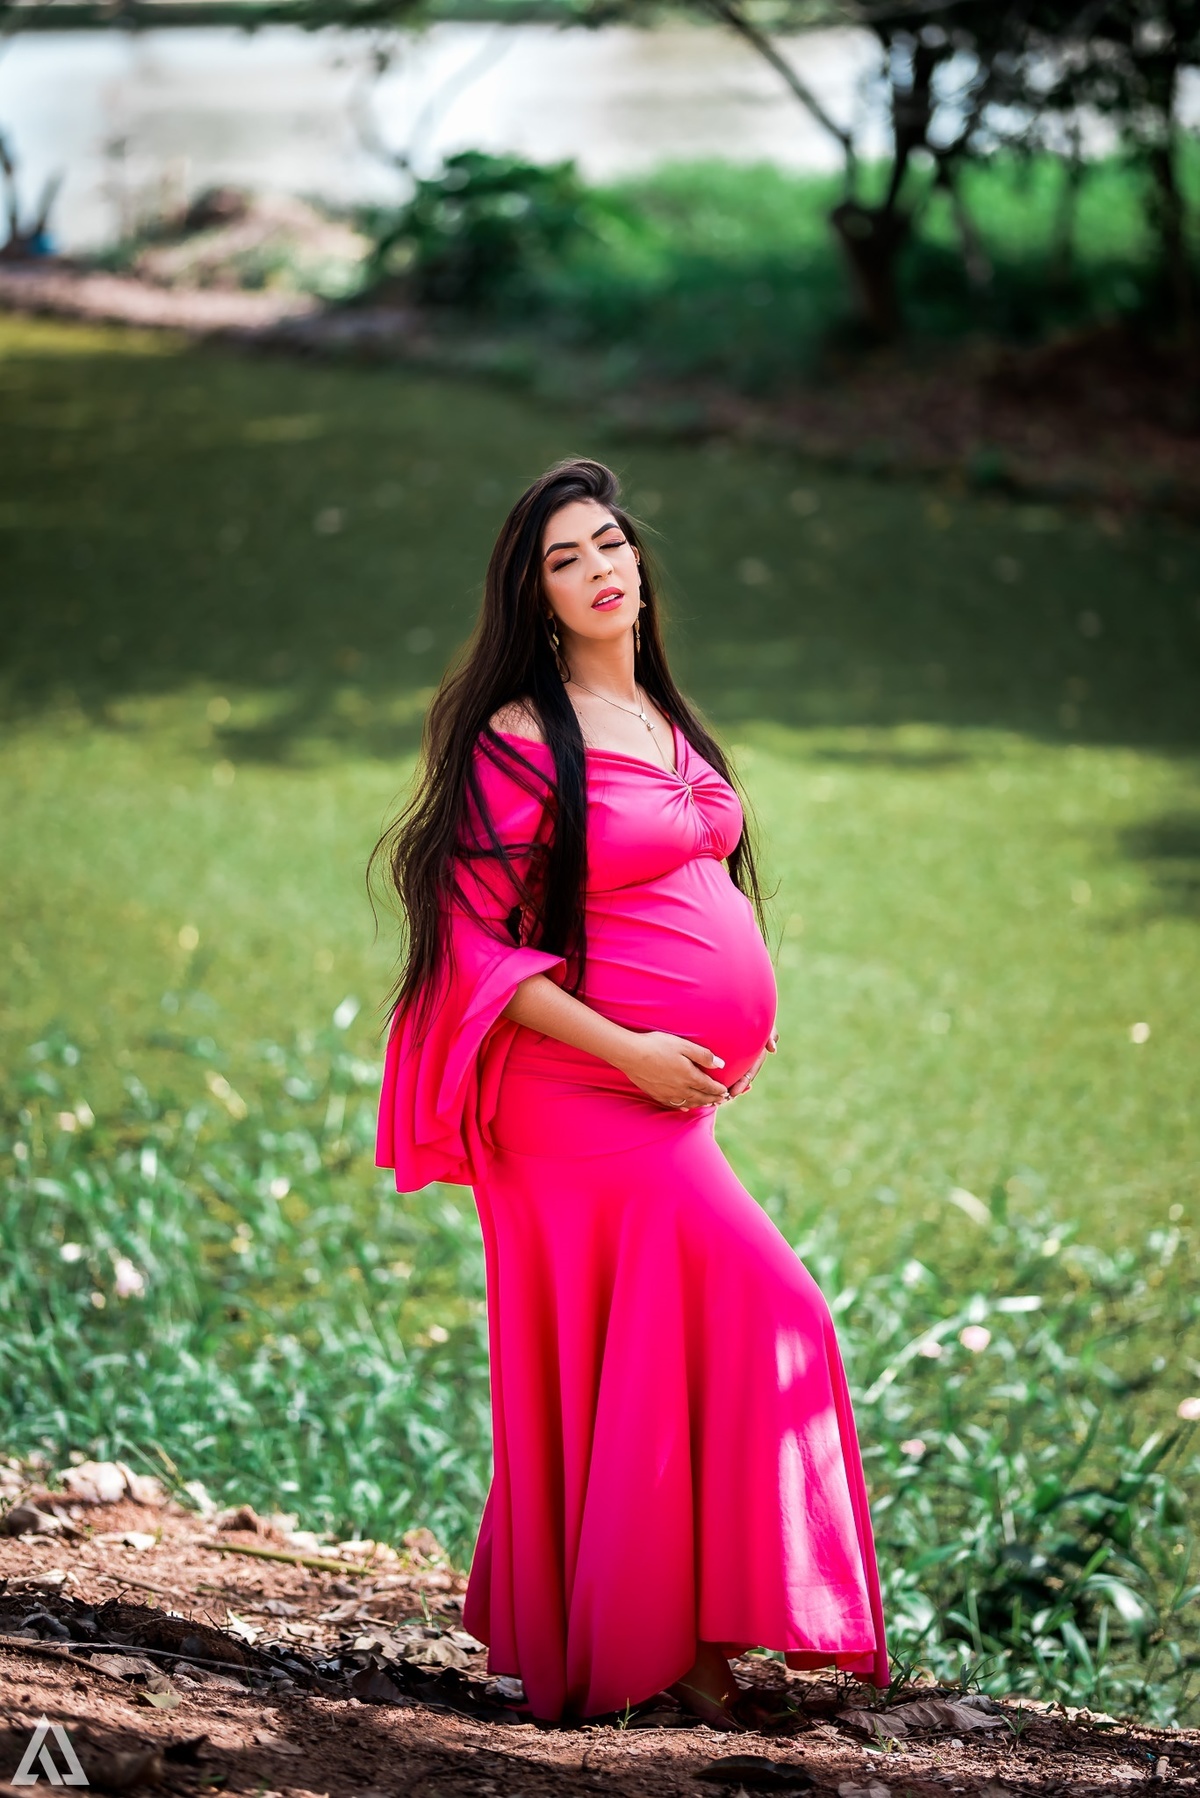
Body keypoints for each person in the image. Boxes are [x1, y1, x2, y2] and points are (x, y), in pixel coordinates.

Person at [373, 457, 888, 1726]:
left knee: (655, 1353)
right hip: (579, 1101)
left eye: (612, 543)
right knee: (779, 1315)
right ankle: (666, 1645)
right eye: (567, 557)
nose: (603, 568)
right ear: (537, 597)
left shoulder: (660, 714)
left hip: (660, 1104)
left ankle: (684, 1645)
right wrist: (631, 1051)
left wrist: (707, 1044)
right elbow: (473, 942)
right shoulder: (516, 738)